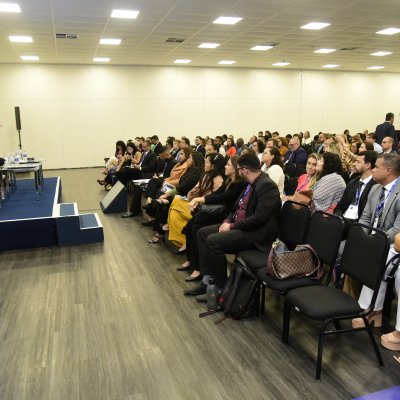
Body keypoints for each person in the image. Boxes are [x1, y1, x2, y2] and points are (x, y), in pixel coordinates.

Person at [184, 152, 281, 296]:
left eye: (239, 169)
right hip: (240, 226)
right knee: (202, 233)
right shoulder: (250, 183)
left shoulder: (267, 186)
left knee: (212, 241)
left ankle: (219, 287)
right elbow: (236, 207)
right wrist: (228, 220)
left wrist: (232, 226)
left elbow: (259, 218)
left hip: (255, 234)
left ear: (245, 170)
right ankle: (207, 280)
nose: (238, 171)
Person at [352, 154, 400, 350]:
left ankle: (370, 310)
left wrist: (375, 243)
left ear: (388, 171)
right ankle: (374, 311)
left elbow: (397, 229)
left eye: (376, 167)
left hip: (389, 242)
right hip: (376, 240)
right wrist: (364, 241)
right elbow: (365, 218)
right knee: (369, 254)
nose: (372, 170)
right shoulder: (374, 189)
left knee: (379, 259)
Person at [181, 156, 245, 281]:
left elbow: (223, 197)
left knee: (197, 227)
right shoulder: (228, 180)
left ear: (236, 168)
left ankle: (199, 269)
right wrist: (199, 200)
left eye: (228, 165)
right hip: (222, 213)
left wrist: (198, 199)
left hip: (225, 216)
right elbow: (216, 194)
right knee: (192, 223)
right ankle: (191, 260)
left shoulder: (239, 184)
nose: (225, 167)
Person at [167, 154, 225, 250]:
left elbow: (209, 199)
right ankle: (182, 240)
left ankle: (182, 240)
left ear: (213, 166)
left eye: (206, 163)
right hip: (196, 203)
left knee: (175, 204)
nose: (204, 165)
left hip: (203, 209)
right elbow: (194, 191)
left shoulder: (218, 181)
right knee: (175, 208)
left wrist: (194, 198)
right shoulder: (206, 174)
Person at [148, 152, 204, 243]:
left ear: (194, 160)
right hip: (180, 193)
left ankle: (159, 232)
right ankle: (154, 211)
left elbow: (182, 188)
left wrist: (167, 194)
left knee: (164, 202)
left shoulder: (196, 173)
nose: (187, 159)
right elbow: (180, 183)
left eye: (189, 157)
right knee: (160, 193)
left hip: (185, 197)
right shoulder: (190, 169)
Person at [121, 146, 182, 218]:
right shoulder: (163, 161)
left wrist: (160, 176)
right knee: (138, 186)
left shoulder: (174, 163)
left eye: (161, 156)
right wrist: (156, 174)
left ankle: (148, 208)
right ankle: (135, 210)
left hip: (165, 182)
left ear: (166, 155)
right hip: (157, 179)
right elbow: (157, 170)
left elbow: (171, 177)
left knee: (152, 185)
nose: (160, 157)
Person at [334, 151, 378, 237]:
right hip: (343, 222)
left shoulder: (375, 186)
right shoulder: (353, 183)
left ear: (368, 165)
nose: (354, 164)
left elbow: (367, 217)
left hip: (357, 226)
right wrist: (338, 218)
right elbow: (340, 206)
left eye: (358, 162)